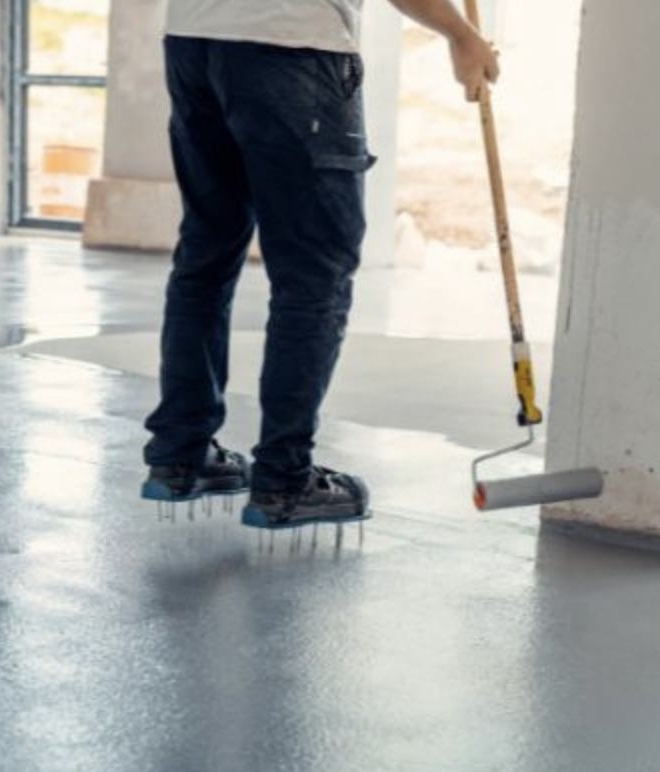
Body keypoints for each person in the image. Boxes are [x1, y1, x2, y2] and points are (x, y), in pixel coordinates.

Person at [140, 0, 500, 528]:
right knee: (314, 275)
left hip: (194, 41)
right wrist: (460, 34)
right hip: (292, 47)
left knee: (206, 254)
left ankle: (181, 457)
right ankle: (285, 482)